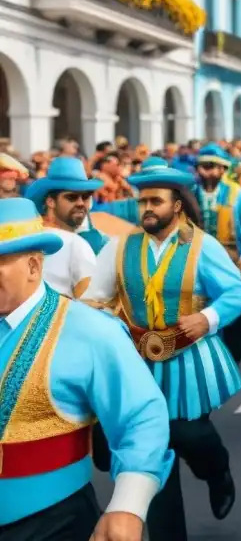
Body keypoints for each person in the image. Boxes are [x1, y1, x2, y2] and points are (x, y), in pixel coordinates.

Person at [82, 163, 241, 540]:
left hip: (190, 358)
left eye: (156, 201)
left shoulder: (202, 246)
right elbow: (96, 299)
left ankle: (217, 470)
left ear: (177, 206)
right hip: (138, 360)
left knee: (190, 434)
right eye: (143, 200)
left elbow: (236, 293)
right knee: (153, 446)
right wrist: (107, 324)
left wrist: (207, 319)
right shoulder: (120, 247)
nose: (147, 208)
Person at [0, 197, 173, 541]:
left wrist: (128, 506)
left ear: (34, 266)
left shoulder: (90, 331)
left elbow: (140, 417)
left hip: (52, 520)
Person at [193, 144, 241, 363]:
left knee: (234, 317)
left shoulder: (238, 196)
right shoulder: (191, 195)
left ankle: (232, 363)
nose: (207, 171)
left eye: (212, 166)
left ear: (222, 169)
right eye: (203, 166)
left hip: (231, 263)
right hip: (198, 265)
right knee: (201, 314)